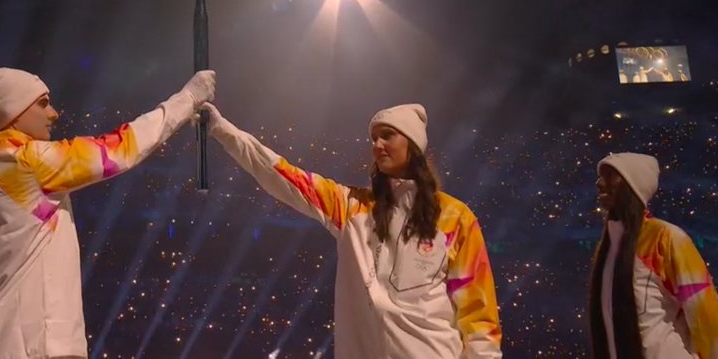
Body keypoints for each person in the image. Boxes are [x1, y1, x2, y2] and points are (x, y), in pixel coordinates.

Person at [202, 102, 502, 358]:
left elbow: (478, 315)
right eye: (373, 138)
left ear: (412, 144)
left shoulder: (455, 217)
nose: (377, 145)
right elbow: (279, 172)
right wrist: (221, 129)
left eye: (387, 136)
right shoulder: (351, 207)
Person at [0, 68, 215, 359]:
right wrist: (186, 100)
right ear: (14, 111)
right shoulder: (25, 164)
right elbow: (119, 149)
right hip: (33, 346)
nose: (53, 113)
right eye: (43, 103)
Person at [589, 152, 718, 358]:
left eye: (609, 176)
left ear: (633, 186)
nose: (599, 184)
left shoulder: (666, 238)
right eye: (600, 177)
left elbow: (705, 314)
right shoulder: (608, 246)